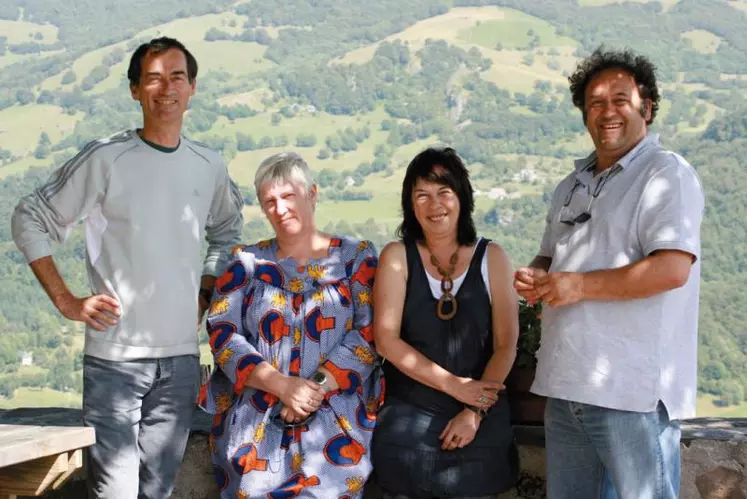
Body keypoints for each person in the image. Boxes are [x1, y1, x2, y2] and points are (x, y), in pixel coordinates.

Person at [11, 37, 244, 498]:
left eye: (177, 76)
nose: (166, 88)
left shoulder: (208, 165)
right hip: (114, 361)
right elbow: (29, 217)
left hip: (179, 359)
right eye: (153, 78)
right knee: (114, 493)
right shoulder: (105, 158)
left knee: (156, 492)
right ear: (135, 90)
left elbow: (228, 232)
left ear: (192, 87)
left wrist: (204, 292)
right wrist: (66, 300)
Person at [513, 47, 704, 499]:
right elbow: (550, 258)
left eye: (621, 99)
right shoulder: (572, 183)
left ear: (647, 108)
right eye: (596, 103)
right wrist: (536, 275)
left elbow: (672, 269)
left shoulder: (665, 175)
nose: (607, 111)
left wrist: (577, 285)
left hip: (631, 393)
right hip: (565, 386)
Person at [199, 151, 383, 498]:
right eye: (269, 201)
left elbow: (369, 334)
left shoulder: (354, 257)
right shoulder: (245, 263)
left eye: (288, 197)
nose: (280, 209)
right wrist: (282, 386)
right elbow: (224, 336)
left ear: (312, 194)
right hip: (257, 428)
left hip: (336, 423)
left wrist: (311, 390)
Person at [371, 147, 519, 499]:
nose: (434, 205)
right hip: (411, 409)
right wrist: (454, 386)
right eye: (422, 195)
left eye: (444, 193)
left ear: (462, 198)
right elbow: (385, 340)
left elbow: (506, 344)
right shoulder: (397, 256)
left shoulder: (492, 258)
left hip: (481, 406)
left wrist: (474, 409)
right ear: (410, 203)